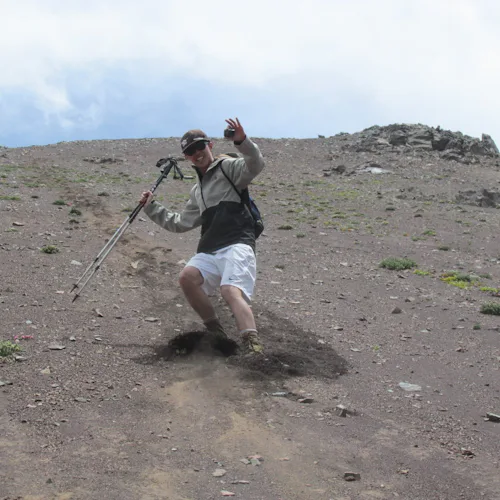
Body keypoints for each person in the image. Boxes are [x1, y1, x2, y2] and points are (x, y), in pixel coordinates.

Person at [139, 118, 265, 354]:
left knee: (230, 290)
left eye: (199, 147)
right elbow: (180, 223)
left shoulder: (229, 168)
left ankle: (252, 344)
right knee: (187, 278)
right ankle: (216, 333)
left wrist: (242, 141)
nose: (196, 153)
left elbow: (255, 164)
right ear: (186, 157)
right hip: (210, 248)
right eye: (190, 151)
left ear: (210, 145)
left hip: (237, 242)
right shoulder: (197, 190)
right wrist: (152, 207)